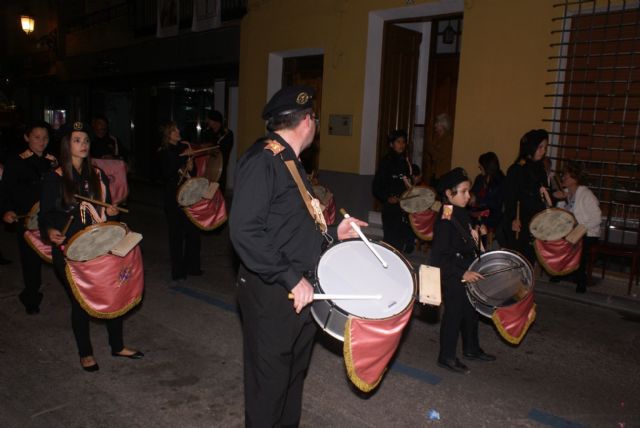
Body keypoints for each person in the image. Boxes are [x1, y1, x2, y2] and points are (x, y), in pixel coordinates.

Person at [229, 85, 366, 427]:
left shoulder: (289, 161)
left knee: (291, 380)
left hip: (301, 291)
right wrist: (290, 277)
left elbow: (294, 227)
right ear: (307, 121)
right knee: (269, 389)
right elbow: (245, 231)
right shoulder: (264, 161)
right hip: (273, 294)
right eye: (314, 118)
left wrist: (336, 233)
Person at [39, 121, 143, 371]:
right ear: (67, 145)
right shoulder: (55, 178)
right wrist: (51, 231)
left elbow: (107, 214)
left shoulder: (96, 174)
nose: (83, 144)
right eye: (77, 140)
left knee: (114, 293)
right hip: (70, 251)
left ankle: (117, 346)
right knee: (80, 301)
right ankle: (85, 352)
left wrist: (111, 211)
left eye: (85, 140)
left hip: (99, 247)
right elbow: (44, 216)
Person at [430, 167, 496, 375]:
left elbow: (466, 244)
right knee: (454, 315)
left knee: (470, 313)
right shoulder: (445, 220)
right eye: (464, 191)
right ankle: (446, 356)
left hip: (466, 270)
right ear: (449, 194)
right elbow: (439, 256)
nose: (469, 196)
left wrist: (479, 237)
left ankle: (471, 349)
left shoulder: (459, 213)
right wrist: (462, 274)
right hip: (454, 275)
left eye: (469, 191)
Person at [1, 122, 57, 314]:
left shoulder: (53, 161)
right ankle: (31, 298)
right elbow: (5, 189)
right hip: (27, 219)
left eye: (45, 138)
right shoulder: (16, 161)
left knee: (59, 255)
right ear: (27, 138)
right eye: (36, 137)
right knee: (31, 261)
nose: (42, 142)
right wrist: (6, 210)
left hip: (50, 218)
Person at [157, 121, 201, 281]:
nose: (178, 131)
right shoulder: (164, 151)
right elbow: (167, 173)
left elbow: (192, 171)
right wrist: (182, 160)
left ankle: (192, 266)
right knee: (176, 235)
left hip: (187, 196)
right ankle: (178, 271)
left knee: (192, 232)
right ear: (168, 134)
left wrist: (190, 166)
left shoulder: (183, 148)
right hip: (172, 197)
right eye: (174, 130)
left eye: (177, 128)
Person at [500, 129, 551, 264]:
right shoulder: (517, 169)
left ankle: (527, 284)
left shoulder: (540, 168)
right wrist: (511, 219)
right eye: (540, 147)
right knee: (518, 256)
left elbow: (544, 193)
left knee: (531, 257)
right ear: (531, 147)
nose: (543, 151)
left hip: (536, 219)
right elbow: (510, 197)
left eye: (545, 147)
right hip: (520, 218)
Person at [554, 162, 601, 293]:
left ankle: (581, 280)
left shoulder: (586, 195)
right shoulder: (566, 193)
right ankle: (559, 272)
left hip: (588, 232)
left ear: (575, 179)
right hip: (572, 232)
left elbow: (597, 218)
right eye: (563, 175)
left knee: (577, 245)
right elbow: (560, 214)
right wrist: (558, 198)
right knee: (555, 242)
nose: (563, 178)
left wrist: (580, 228)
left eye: (566, 176)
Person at [372, 129, 415, 253]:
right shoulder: (386, 162)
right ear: (391, 144)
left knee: (404, 241)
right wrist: (387, 198)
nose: (401, 145)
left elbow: (408, 183)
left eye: (403, 142)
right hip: (391, 207)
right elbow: (376, 186)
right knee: (391, 241)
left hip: (404, 207)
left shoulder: (405, 162)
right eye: (398, 142)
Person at [470, 151, 505, 246]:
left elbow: (497, 203)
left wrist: (478, 201)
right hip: (478, 210)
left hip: (492, 214)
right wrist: (472, 196)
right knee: (462, 213)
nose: (479, 167)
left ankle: (480, 245)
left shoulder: (501, 181)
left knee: (477, 220)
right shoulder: (480, 178)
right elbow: (473, 193)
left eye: (481, 165)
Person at [202, 110, 234, 193]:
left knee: (219, 188)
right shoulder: (207, 132)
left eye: (209, 119)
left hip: (220, 165)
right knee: (208, 189)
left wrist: (211, 146)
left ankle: (219, 204)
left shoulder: (227, 134)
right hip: (208, 165)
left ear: (215, 120)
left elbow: (224, 149)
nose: (207, 121)